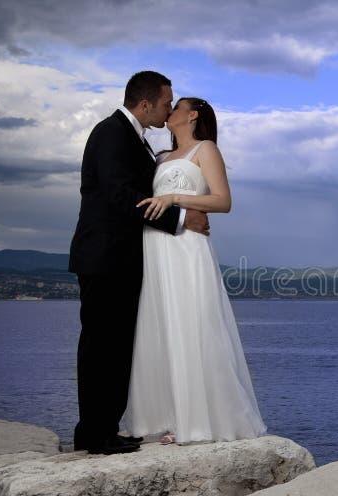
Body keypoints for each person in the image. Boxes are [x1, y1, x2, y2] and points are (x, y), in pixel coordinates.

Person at [69, 71, 210, 455]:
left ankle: (103, 430)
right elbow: (119, 194)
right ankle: (95, 435)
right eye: (166, 103)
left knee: (116, 347)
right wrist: (180, 220)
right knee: (101, 347)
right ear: (145, 103)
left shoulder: (138, 140)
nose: (169, 110)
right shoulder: (111, 132)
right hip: (104, 257)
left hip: (124, 259)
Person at [121, 97, 267, 444]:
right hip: (156, 248)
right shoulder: (158, 158)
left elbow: (222, 201)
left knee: (192, 324)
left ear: (192, 115)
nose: (168, 111)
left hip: (187, 248)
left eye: (176, 106)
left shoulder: (205, 149)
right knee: (161, 325)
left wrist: (174, 199)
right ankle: (167, 417)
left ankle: (198, 421)